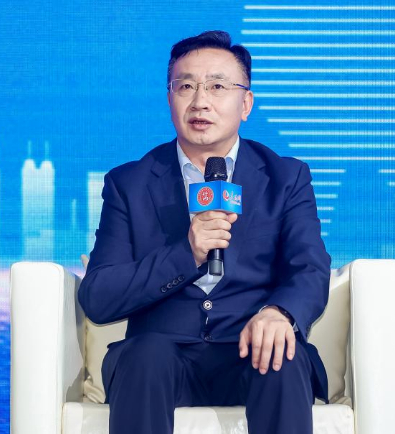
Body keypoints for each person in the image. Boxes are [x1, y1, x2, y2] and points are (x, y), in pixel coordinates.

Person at [79, 30, 331, 434]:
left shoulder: (286, 177)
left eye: (217, 86)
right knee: (145, 356)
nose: (200, 101)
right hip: (161, 356)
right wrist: (187, 254)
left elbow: (310, 269)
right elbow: (99, 297)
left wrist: (279, 313)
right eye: (186, 86)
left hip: (250, 347)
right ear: (170, 98)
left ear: (245, 103)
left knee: (281, 355)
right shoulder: (130, 183)